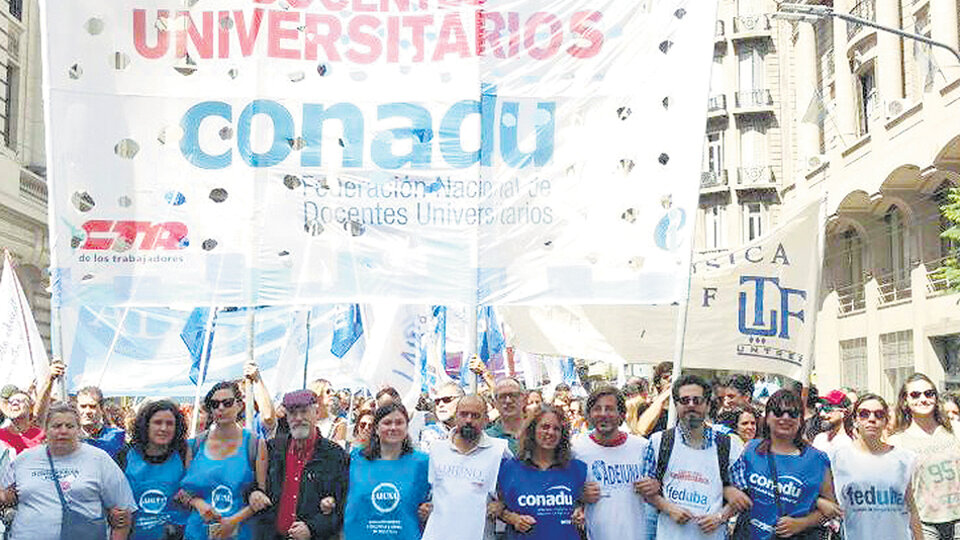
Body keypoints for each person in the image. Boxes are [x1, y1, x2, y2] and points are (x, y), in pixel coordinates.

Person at [0, 402, 136, 540]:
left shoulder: (99, 459)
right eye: (56, 426)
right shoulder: (24, 459)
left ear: (78, 429)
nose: (63, 431)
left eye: (70, 426)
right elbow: (7, 496)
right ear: (45, 429)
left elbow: (123, 514)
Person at [640, 374, 744, 540]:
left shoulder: (729, 446)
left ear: (708, 405)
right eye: (684, 400)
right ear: (676, 405)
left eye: (697, 400)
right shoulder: (659, 442)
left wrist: (720, 517)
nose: (690, 405)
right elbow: (646, 491)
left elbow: (741, 496)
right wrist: (668, 508)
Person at [730, 388, 837, 540]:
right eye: (778, 412)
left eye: (793, 413)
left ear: (801, 419)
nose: (786, 418)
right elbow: (734, 490)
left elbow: (831, 509)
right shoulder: (750, 449)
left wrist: (801, 523)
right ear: (767, 418)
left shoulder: (817, 459)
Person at [253, 389, 348, 540]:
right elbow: (251, 483)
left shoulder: (335, 455)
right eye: (292, 413)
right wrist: (254, 493)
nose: (298, 418)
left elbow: (343, 507)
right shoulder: (272, 449)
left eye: (304, 412)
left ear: (316, 413)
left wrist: (313, 528)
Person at [181, 381, 266, 540]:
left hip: (240, 533)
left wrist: (233, 521)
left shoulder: (254, 443)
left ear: (239, 405)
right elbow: (184, 493)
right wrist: (199, 504)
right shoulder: (194, 445)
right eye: (214, 404)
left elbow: (261, 496)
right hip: (198, 533)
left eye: (227, 403)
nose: (221, 408)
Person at [831, 394, 922, 540]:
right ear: (855, 420)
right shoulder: (837, 457)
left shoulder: (904, 458)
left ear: (886, 421)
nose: (871, 419)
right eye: (864, 414)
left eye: (879, 415)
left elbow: (911, 509)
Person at [422, 394, 510, 540]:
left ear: (486, 420)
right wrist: (423, 506)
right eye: (464, 414)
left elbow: (514, 491)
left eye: (475, 416)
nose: (468, 420)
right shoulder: (436, 449)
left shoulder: (499, 451)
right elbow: (424, 493)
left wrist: (502, 505)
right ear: (456, 417)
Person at [497, 405, 592, 540]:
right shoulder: (509, 468)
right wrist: (512, 518)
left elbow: (586, 506)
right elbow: (495, 507)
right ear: (532, 430)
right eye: (545, 427)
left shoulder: (577, 469)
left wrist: (582, 512)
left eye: (556, 429)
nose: (551, 432)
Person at [888, 373, 960, 539]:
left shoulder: (955, 430)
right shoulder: (897, 442)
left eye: (929, 393)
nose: (923, 399)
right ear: (905, 400)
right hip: (924, 523)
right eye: (915, 394)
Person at [572, 386, 648, 540]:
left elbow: (658, 489)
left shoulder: (643, 447)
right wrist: (579, 496)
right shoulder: (576, 449)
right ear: (589, 415)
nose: (603, 414)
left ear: (621, 415)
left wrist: (654, 486)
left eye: (609, 409)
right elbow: (565, 493)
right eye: (597, 409)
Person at [344, 402, 430, 539]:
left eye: (399, 422)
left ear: (407, 427)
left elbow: (438, 498)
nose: (393, 427)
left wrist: (430, 508)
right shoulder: (356, 458)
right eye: (387, 423)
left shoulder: (423, 462)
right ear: (376, 429)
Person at [116, 399, 190, 540]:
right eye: (157, 422)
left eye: (169, 424)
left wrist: (190, 492)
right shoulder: (125, 455)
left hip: (176, 534)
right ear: (146, 425)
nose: (163, 428)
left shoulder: (184, 452)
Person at [0, 360, 65, 462]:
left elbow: (41, 406)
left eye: (20, 401)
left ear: (30, 408)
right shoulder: (1, 435)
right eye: (11, 402)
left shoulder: (37, 431)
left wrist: (50, 378)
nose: (15, 403)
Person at [77, 385, 127, 458]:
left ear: (102, 409)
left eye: (92, 406)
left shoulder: (115, 436)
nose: (87, 411)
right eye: (83, 406)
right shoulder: (70, 437)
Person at [418, 382, 464, 452]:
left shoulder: (474, 429)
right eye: (437, 401)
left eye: (447, 400)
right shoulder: (431, 433)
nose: (440, 405)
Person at [486, 378, 526, 454]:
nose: (508, 401)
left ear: (524, 399)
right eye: (502, 396)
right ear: (495, 403)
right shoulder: (487, 438)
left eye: (513, 395)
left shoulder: (537, 433)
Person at [635, 361, 673, 435]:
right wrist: (666, 394)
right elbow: (642, 430)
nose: (671, 380)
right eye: (666, 378)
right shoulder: (646, 407)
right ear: (658, 383)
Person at [307, 379, 347, 445]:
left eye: (332, 391)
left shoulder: (338, 423)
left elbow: (339, 451)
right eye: (328, 391)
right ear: (317, 395)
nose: (332, 394)